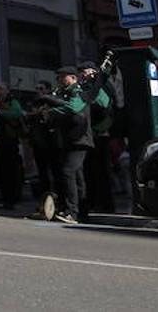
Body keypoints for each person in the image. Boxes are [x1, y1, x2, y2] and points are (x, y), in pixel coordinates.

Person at [36, 66, 91, 224]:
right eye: (58, 77)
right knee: (77, 177)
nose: (59, 80)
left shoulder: (78, 92)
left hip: (80, 139)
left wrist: (51, 108)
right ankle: (82, 212)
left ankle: (72, 212)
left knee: (68, 172)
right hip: (68, 139)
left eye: (63, 77)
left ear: (73, 78)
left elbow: (72, 108)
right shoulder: (63, 93)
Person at [78, 60, 114, 215]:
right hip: (90, 133)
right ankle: (91, 202)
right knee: (89, 171)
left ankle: (106, 205)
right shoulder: (85, 87)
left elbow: (104, 106)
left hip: (100, 134)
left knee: (102, 171)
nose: (82, 74)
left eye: (84, 71)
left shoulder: (101, 86)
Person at [0, 84, 25, 210]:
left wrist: (1, 113)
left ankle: (11, 199)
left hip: (10, 142)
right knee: (0, 172)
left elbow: (17, 113)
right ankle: (5, 198)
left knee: (10, 173)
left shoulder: (12, 102)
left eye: (1, 90)